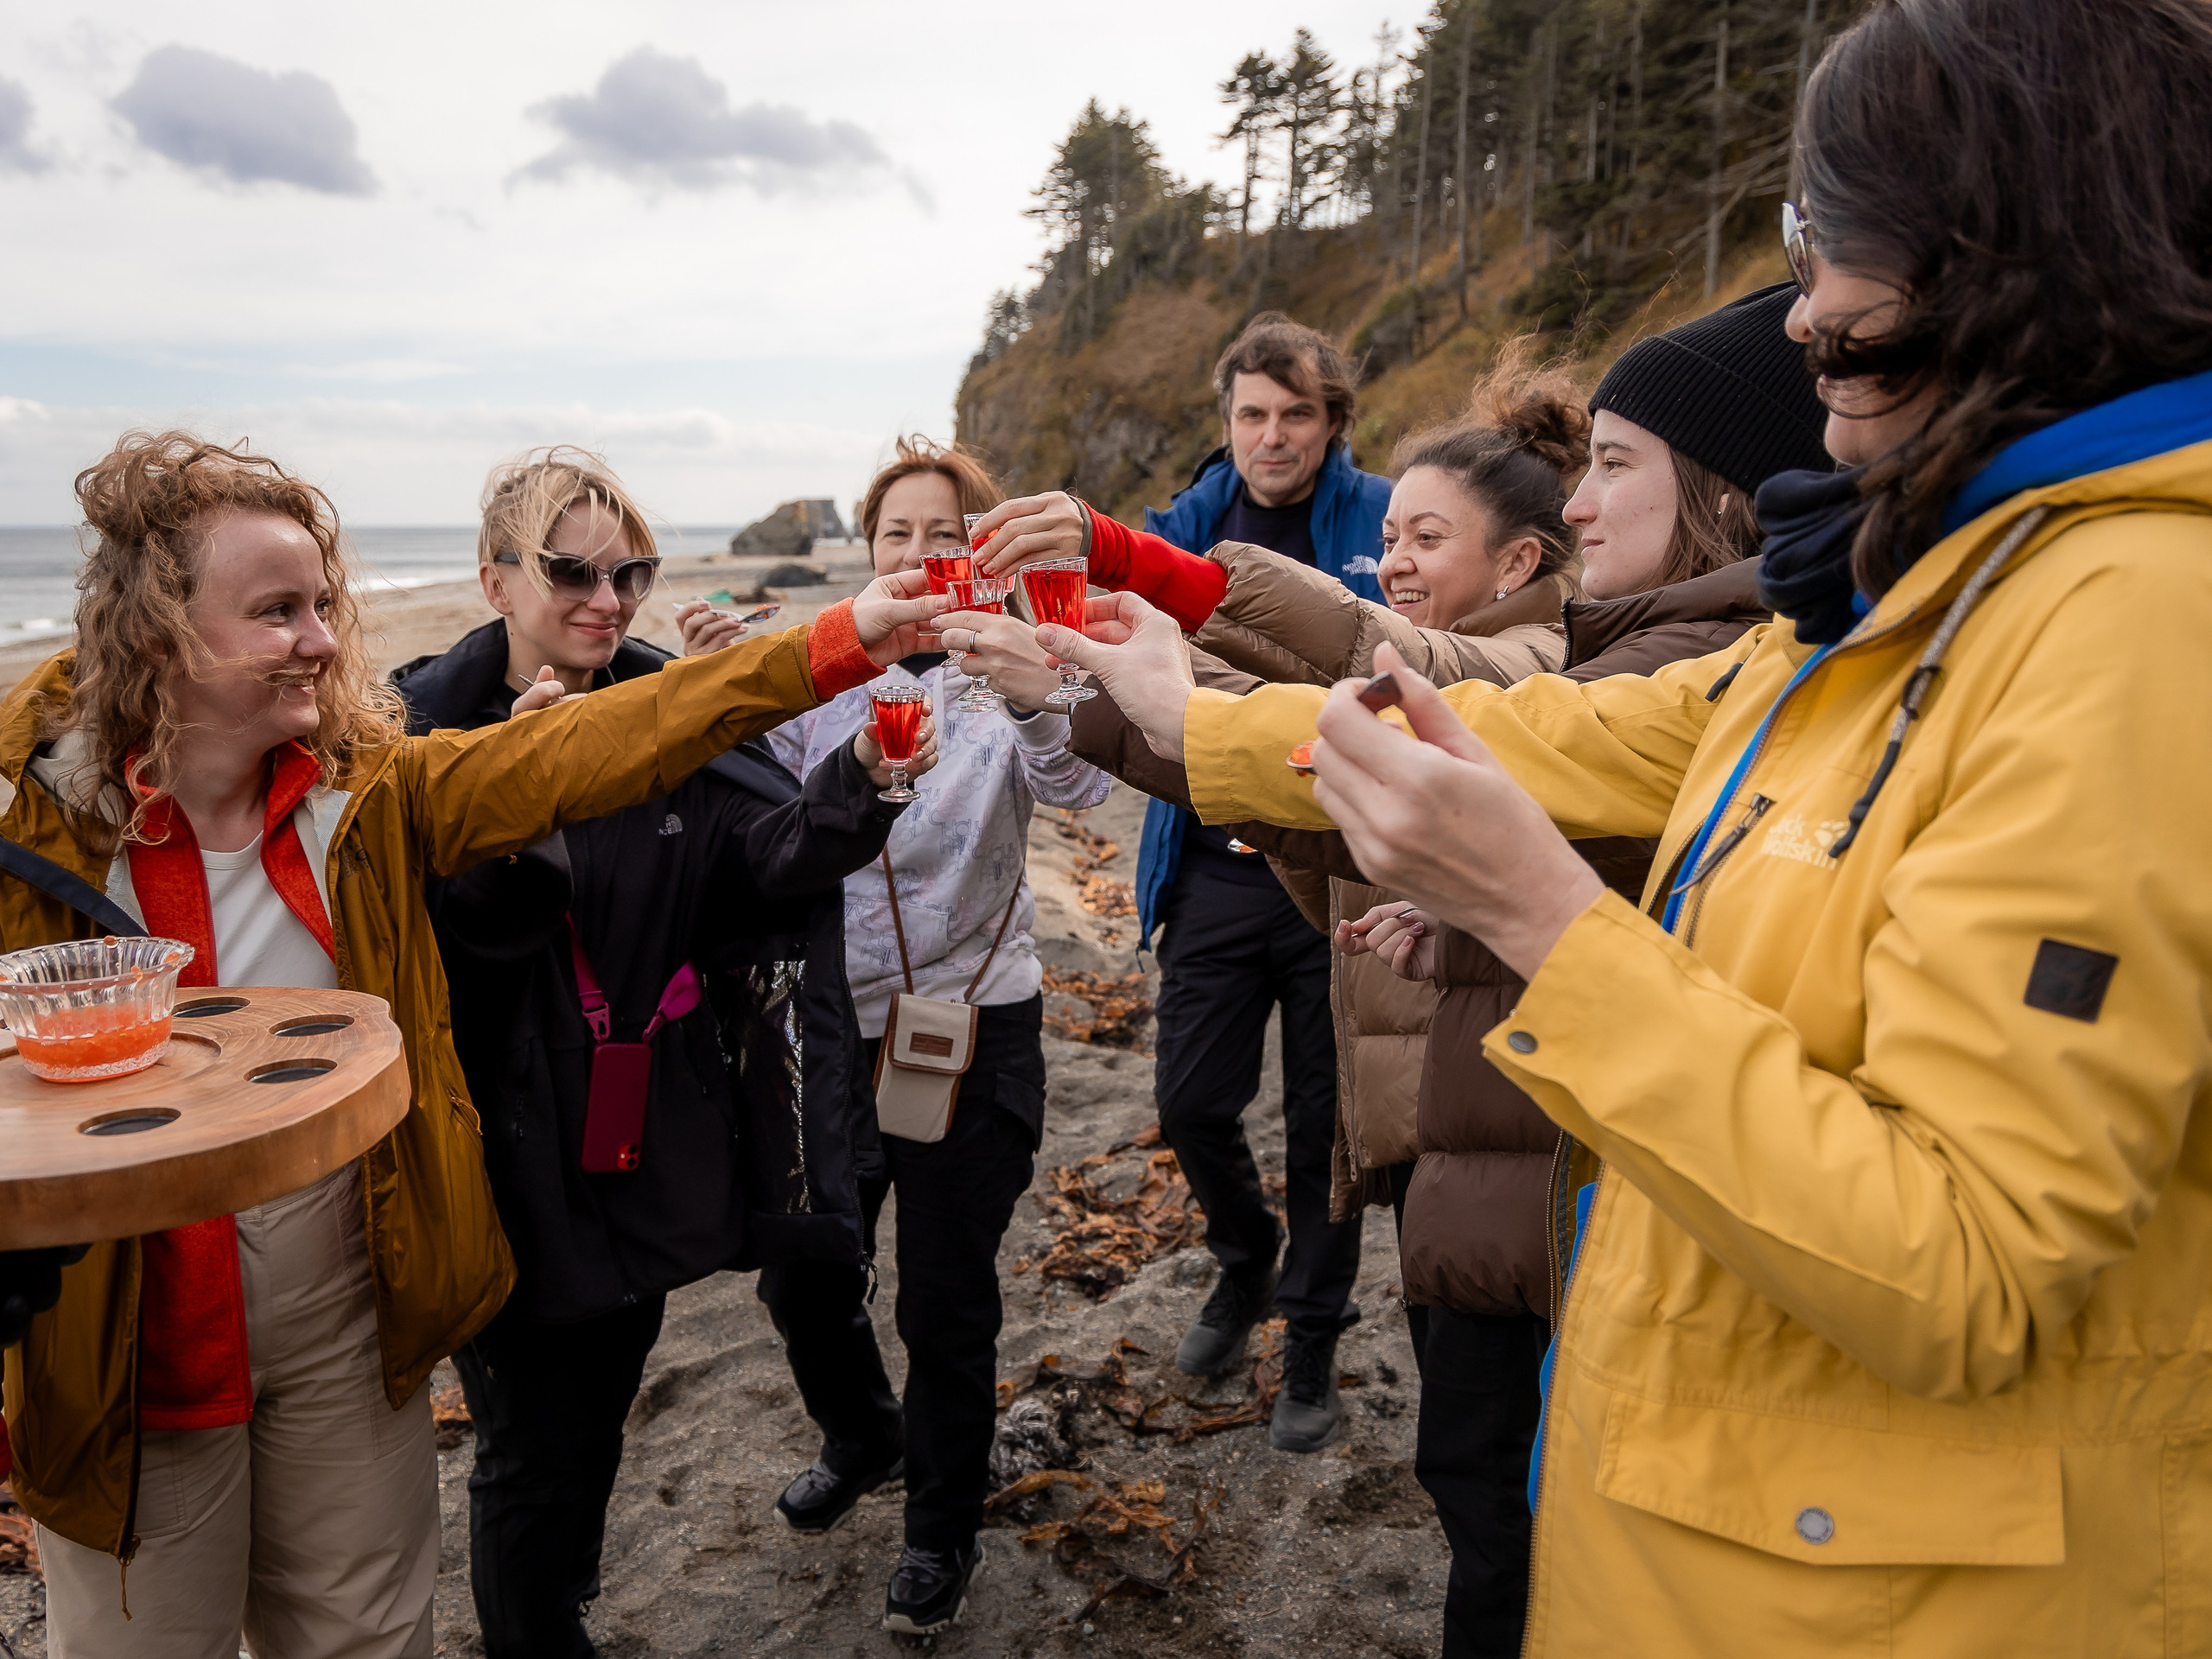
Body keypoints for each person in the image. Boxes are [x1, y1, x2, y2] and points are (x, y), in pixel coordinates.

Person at [1039, 0, 2212, 1649]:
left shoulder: (2137, 621)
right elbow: (1553, 728)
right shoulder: (1911, 600)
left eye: (1821, 251)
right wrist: (1187, 721)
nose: (1800, 319)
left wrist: (1544, 926)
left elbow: (1969, 1264)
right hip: (1742, 1531)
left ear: (1994, 250)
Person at [0, 430, 940, 1658]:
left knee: (368, 1638)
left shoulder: (368, 790)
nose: (324, 641)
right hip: (125, 1342)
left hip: (350, 1310)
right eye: (277, 612)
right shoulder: (32, 827)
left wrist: (844, 640)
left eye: (325, 605)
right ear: (158, 627)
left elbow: (615, 741)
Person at [387, 448, 934, 1659]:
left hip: (645, 1136)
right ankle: (540, 1632)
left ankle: (565, 1595)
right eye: (572, 570)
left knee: (604, 1397)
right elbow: (452, 945)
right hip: (507, 1151)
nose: (608, 599)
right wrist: (519, 796)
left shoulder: (661, 710)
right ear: (493, 580)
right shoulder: (425, 739)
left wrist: (864, 784)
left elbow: (762, 863)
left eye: (630, 571)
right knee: (529, 1442)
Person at [707, 437, 1109, 1637]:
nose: (923, 554)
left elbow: (1083, 785)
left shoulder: (1017, 659)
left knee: (945, 1300)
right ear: (868, 554)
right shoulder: (828, 667)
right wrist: (727, 681)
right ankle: (862, 1433)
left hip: (977, 1021)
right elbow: (744, 781)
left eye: (948, 534)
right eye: (898, 537)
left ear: (982, 548)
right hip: (836, 1028)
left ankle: (940, 1532)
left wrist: (1040, 680)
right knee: (802, 1274)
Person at [1096, 313, 1401, 1450]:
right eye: (1254, 415)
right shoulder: (1182, 526)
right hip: (1214, 865)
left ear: (1332, 424)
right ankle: (1245, 1259)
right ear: (1227, 421)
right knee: (1190, 1101)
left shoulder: (1377, 521)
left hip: (1345, 869)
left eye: (1297, 415)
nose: (1273, 437)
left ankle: (1313, 1338)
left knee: (1331, 1132)